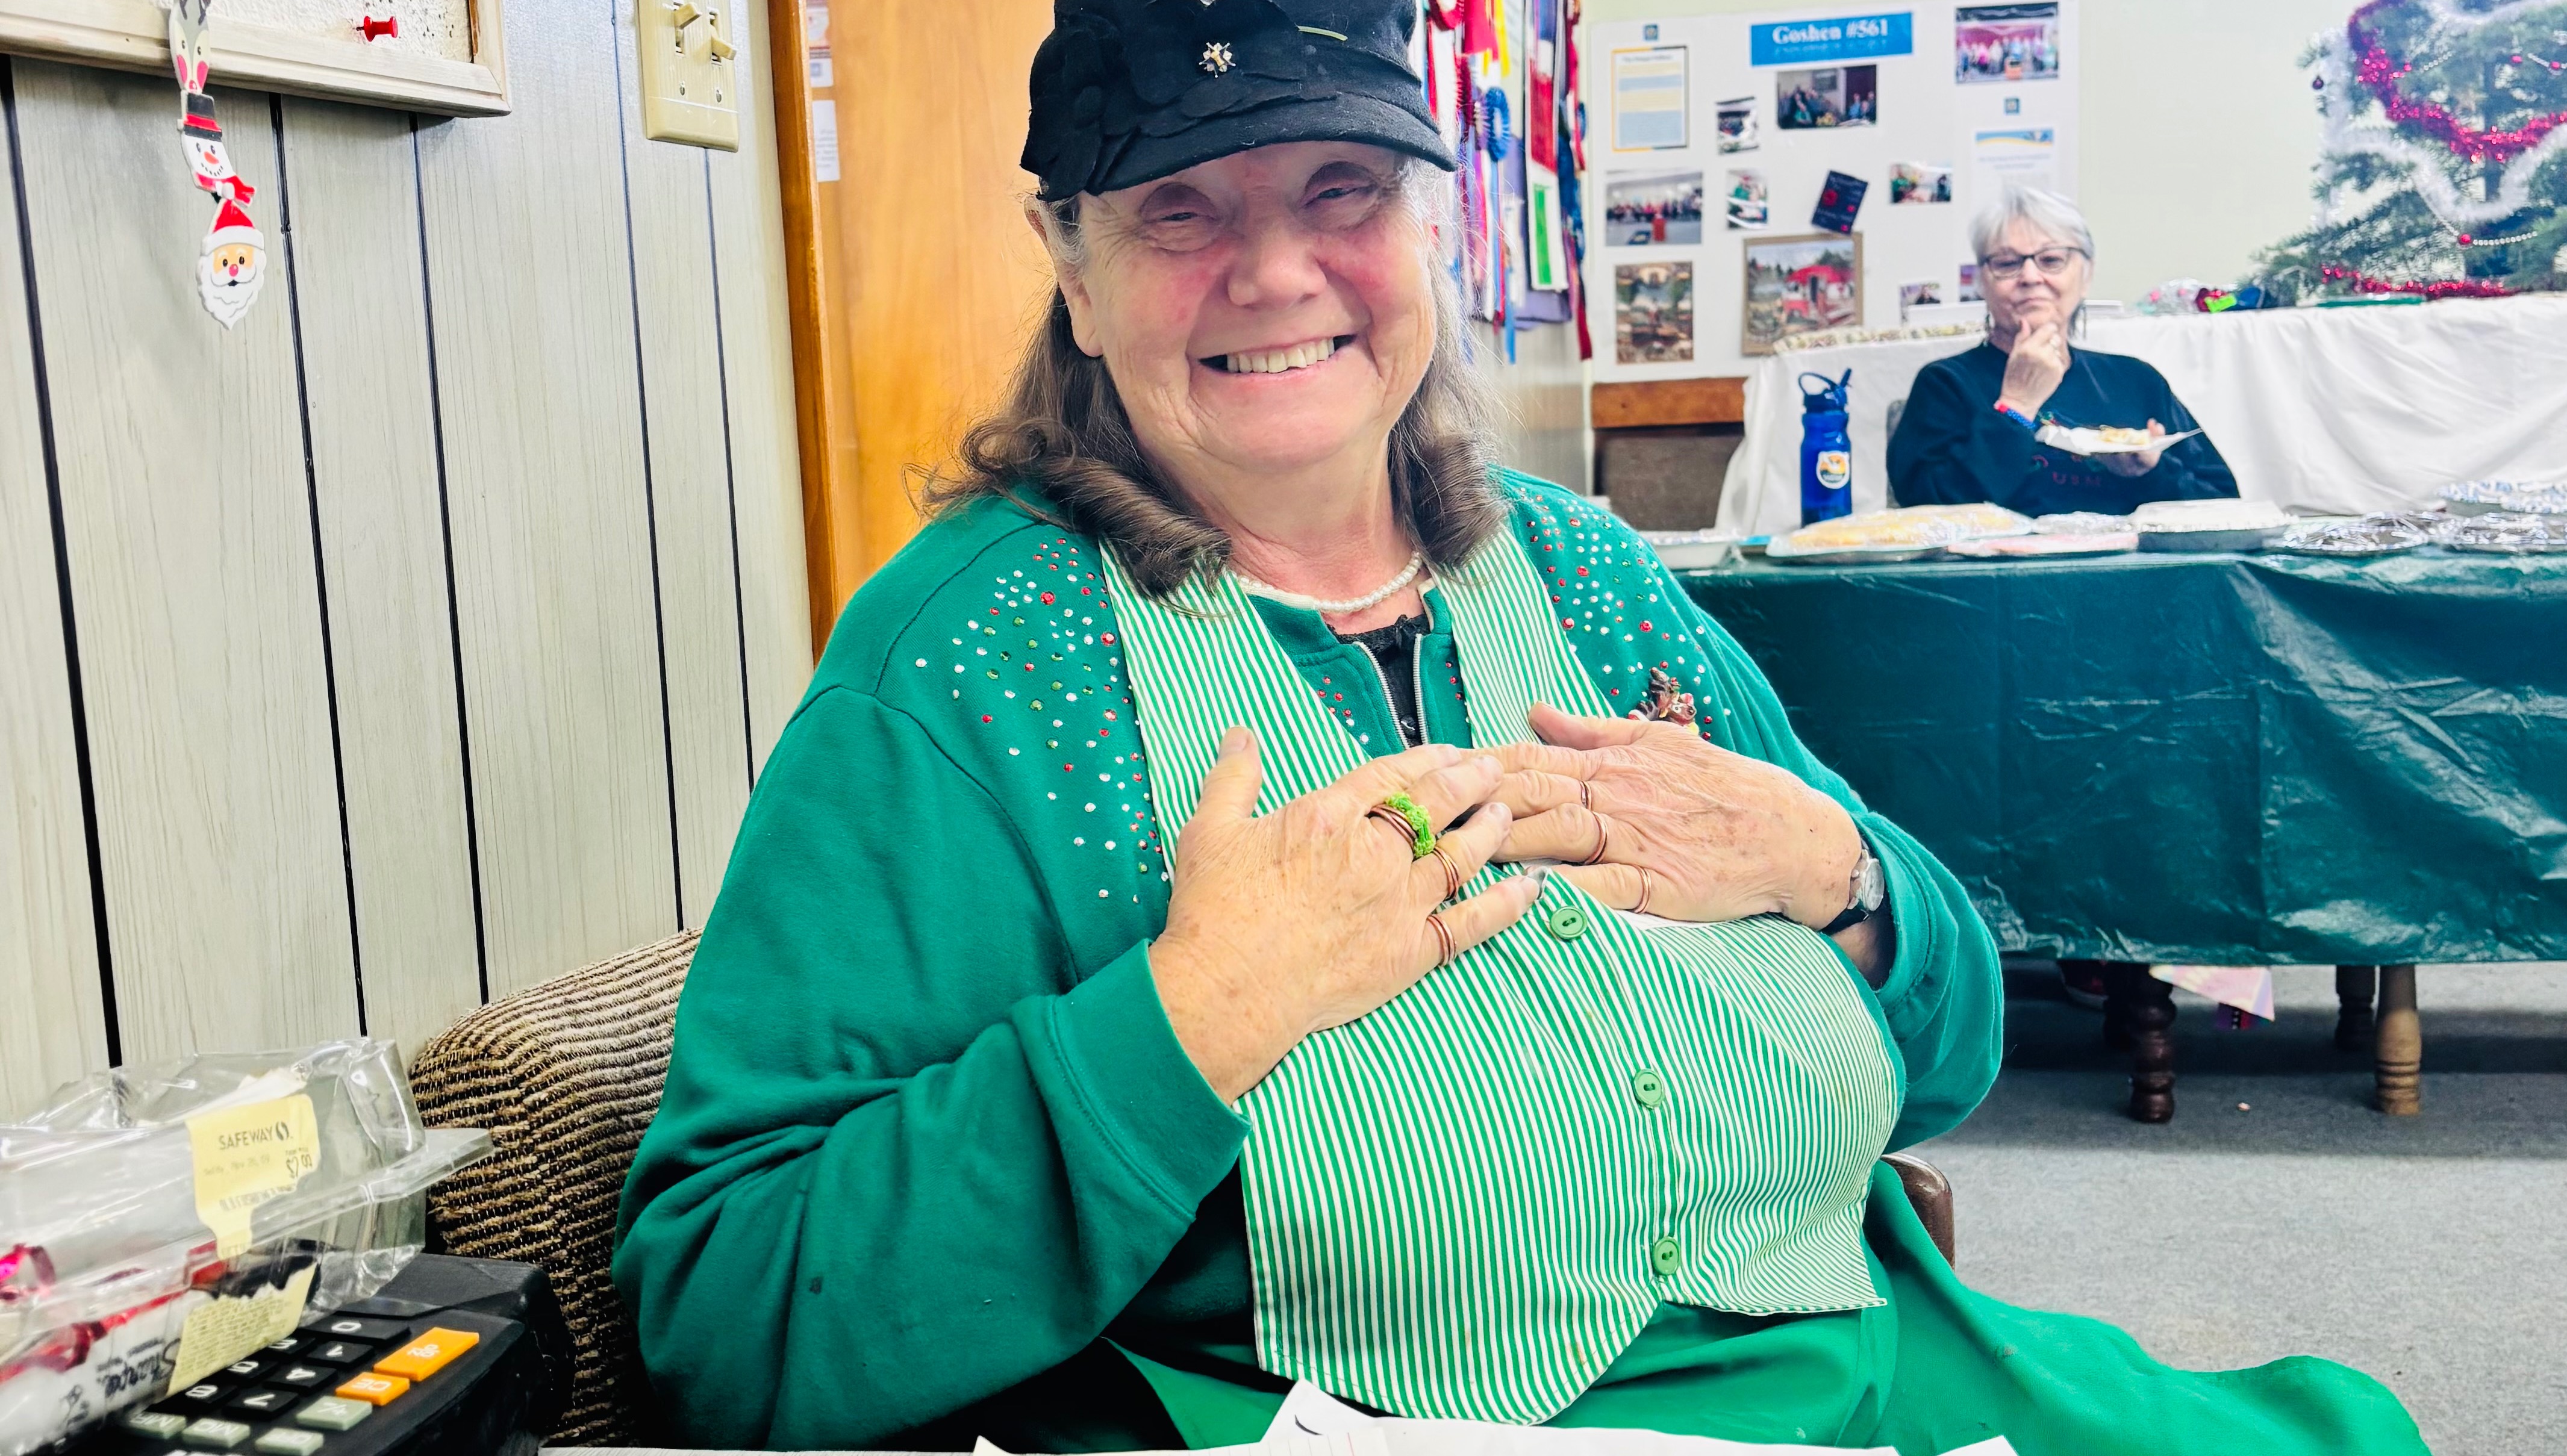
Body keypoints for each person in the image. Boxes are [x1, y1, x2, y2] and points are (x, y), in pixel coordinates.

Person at [611, 4, 2425, 1453]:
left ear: (1428, 225)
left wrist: (1839, 873)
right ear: (1069, 271)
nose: (1274, 271)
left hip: (1875, 1357)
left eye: (1339, 189)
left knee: (2352, 1426)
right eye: (1178, 209)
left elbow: (1943, 1051)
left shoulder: (1580, 568)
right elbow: (730, 1316)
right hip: (1398, 1424)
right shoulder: (967, 665)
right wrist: (1197, 1010)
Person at [1888, 187, 2239, 517]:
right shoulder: (1945, 384)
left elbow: (2224, 506)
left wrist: (2150, 472)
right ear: (1982, 282)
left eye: (2052, 260)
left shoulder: (2135, 381)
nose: (2030, 276)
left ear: (2086, 276)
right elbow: (1925, 515)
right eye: (2007, 264)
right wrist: (2016, 406)